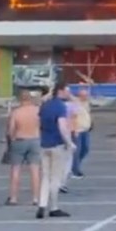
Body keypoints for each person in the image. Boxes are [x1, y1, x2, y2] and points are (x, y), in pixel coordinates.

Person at [36, 83, 74, 219]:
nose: (68, 94)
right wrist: (69, 143)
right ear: (61, 91)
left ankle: (41, 204)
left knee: (45, 176)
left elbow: (38, 123)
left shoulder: (45, 105)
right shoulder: (60, 106)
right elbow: (62, 127)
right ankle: (54, 207)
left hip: (44, 144)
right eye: (67, 91)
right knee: (55, 178)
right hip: (57, 145)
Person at [6, 89, 42, 206]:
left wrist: (11, 139)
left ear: (20, 99)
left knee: (16, 170)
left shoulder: (16, 112)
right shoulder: (37, 111)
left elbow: (11, 130)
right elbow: (42, 126)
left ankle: (13, 198)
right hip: (35, 140)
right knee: (35, 170)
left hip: (19, 139)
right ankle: (36, 198)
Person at [70, 88, 92, 179]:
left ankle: (75, 165)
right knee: (77, 151)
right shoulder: (75, 103)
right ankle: (75, 170)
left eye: (86, 95)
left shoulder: (87, 103)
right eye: (83, 95)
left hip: (86, 130)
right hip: (78, 130)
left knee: (85, 149)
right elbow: (73, 117)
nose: (86, 97)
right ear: (79, 96)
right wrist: (74, 129)